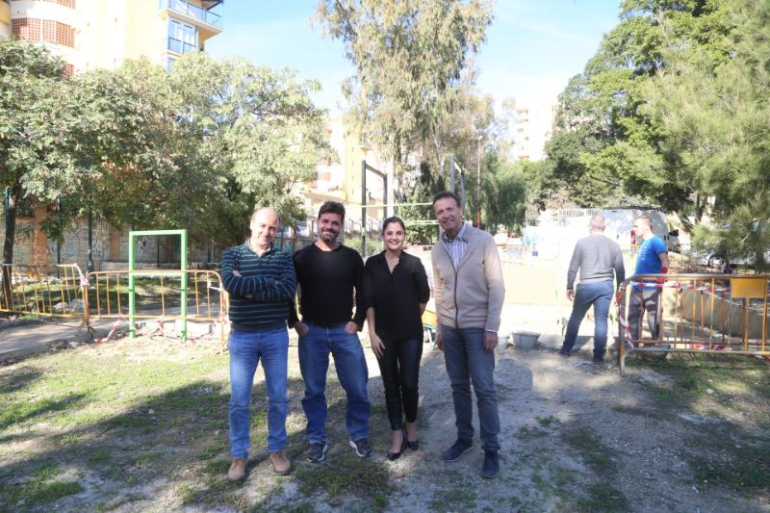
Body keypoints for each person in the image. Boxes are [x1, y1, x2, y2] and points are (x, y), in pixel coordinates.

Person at [289, 201, 372, 462]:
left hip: (343, 331)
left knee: (357, 386)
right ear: (317, 222)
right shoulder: (302, 257)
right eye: (325, 221)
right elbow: (286, 292)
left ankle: (358, 433)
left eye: (335, 223)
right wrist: (294, 322)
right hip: (311, 332)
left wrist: (357, 321)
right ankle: (316, 438)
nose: (329, 227)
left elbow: (365, 291)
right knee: (314, 390)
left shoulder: (351, 257)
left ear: (341, 226)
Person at [431, 191, 505, 479]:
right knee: (458, 386)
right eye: (440, 212)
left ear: (460, 210)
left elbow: (496, 286)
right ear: (436, 216)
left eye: (450, 209)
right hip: (450, 329)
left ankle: (491, 449)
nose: (446, 215)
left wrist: (491, 326)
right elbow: (438, 290)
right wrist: (440, 327)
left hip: (478, 328)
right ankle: (464, 438)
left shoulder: (483, 241)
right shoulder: (438, 248)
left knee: (485, 388)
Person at [221, 208, 297, 481]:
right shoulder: (232, 254)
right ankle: (239, 456)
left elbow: (287, 290)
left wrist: (248, 287)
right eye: (262, 226)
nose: (267, 232)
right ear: (252, 224)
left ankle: (276, 450)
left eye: (273, 228)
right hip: (242, 337)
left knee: (278, 397)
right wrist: (267, 282)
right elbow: (230, 283)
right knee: (239, 401)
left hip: (275, 335)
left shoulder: (283, 257)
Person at [364, 217, 430, 461]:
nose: (394, 237)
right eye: (390, 233)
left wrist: (409, 317)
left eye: (399, 233)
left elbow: (424, 297)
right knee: (390, 384)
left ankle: (410, 426)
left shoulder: (414, 264)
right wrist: (372, 333)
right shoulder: (372, 264)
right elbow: (367, 301)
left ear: (404, 236)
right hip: (383, 336)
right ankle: (396, 433)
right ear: (383, 235)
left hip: (411, 334)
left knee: (410, 384)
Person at [558, 215, 625, 363]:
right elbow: (620, 271)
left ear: (590, 227)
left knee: (576, 317)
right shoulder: (614, 245)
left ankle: (566, 349)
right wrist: (621, 290)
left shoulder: (582, 243)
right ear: (604, 227)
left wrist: (569, 285)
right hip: (606, 286)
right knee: (601, 320)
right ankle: (598, 356)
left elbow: (573, 266)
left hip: (586, 285)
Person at [627, 215, 670, 341]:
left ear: (645, 227)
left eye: (636, 226)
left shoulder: (655, 241)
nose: (634, 229)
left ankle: (657, 347)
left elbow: (665, 261)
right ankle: (633, 347)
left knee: (653, 318)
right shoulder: (644, 242)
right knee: (634, 318)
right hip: (637, 287)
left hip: (650, 287)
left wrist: (661, 277)